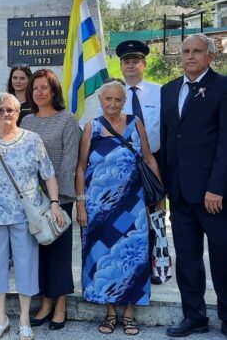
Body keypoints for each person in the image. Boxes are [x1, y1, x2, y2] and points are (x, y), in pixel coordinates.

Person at [0, 92, 65, 340]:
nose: (5, 114)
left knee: (26, 265)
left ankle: (23, 319)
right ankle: (1, 318)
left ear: (19, 112)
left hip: (26, 217)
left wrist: (54, 203)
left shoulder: (32, 140)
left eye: (10, 110)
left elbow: (49, 174)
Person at [75, 80, 161, 336]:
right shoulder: (93, 127)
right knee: (103, 257)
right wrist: (80, 204)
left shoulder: (136, 123)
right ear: (100, 100)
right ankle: (111, 312)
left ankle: (130, 313)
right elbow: (81, 167)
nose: (112, 105)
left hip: (132, 207)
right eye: (108, 100)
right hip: (99, 208)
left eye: (118, 100)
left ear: (124, 101)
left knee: (132, 256)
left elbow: (149, 158)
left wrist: (159, 195)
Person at [161, 34, 227, 338]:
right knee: (187, 258)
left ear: (210, 56)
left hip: (213, 194)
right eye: (185, 51)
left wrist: (217, 186)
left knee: (222, 257)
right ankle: (194, 316)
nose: (189, 56)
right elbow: (167, 141)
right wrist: (164, 186)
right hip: (180, 192)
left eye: (196, 51)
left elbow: (225, 143)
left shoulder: (222, 87)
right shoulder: (169, 89)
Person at [21, 69, 79, 331]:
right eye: (35, 88)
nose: (39, 93)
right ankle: (45, 300)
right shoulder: (26, 121)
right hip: (32, 199)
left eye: (44, 88)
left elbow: (69, 161)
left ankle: (61, 302)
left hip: (60, 198)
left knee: (59, 251)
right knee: (39, 251)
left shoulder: (67, 120)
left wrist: (57, 198)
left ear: (54, 91)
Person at [115, 40, 163, 285]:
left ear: (144, 64)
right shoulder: (113, 94)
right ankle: (131, 263)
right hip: (124, 166)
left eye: (135, 61)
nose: (131, 66)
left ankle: (156, 263)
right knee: (126, 216)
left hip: (154, 160)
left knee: (155, 213)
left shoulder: (160, 92)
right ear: (121, 65)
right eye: (126, 62)